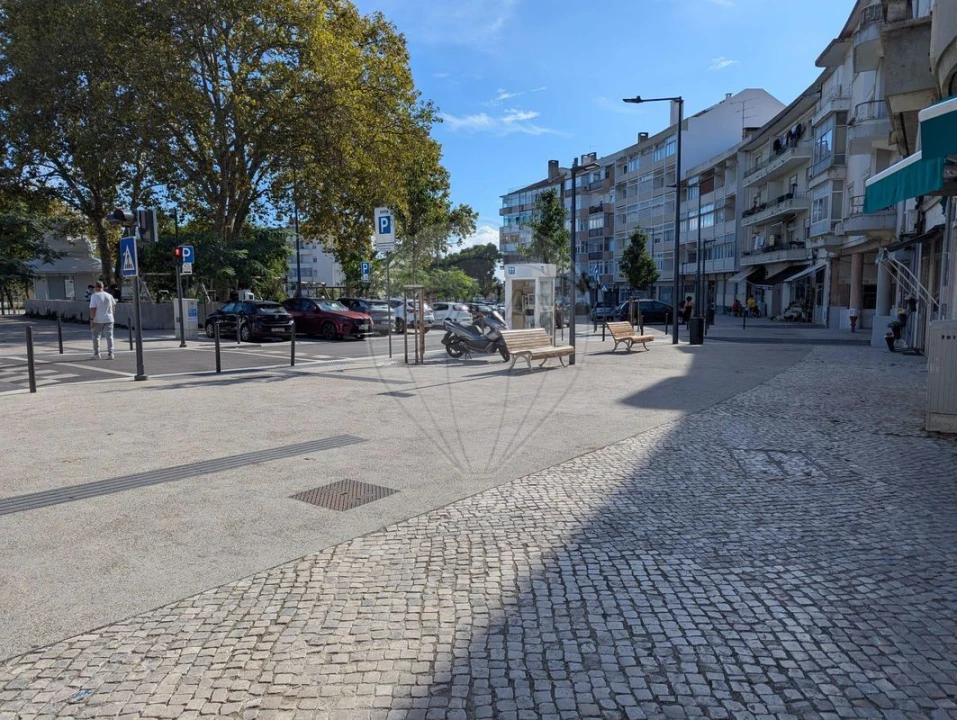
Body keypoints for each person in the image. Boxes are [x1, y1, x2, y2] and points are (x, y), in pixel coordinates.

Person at [89, 281, 117, 359]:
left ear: (96, 287)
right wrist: (111, 315)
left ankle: (97, 353)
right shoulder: (109, 295)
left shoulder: (94, 296)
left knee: (96, 337)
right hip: (109, 319)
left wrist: (91, 319)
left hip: (98, 319)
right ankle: (111, 353)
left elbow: (92, 308)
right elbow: (113, 307)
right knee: (109, 336)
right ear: (103, 287)